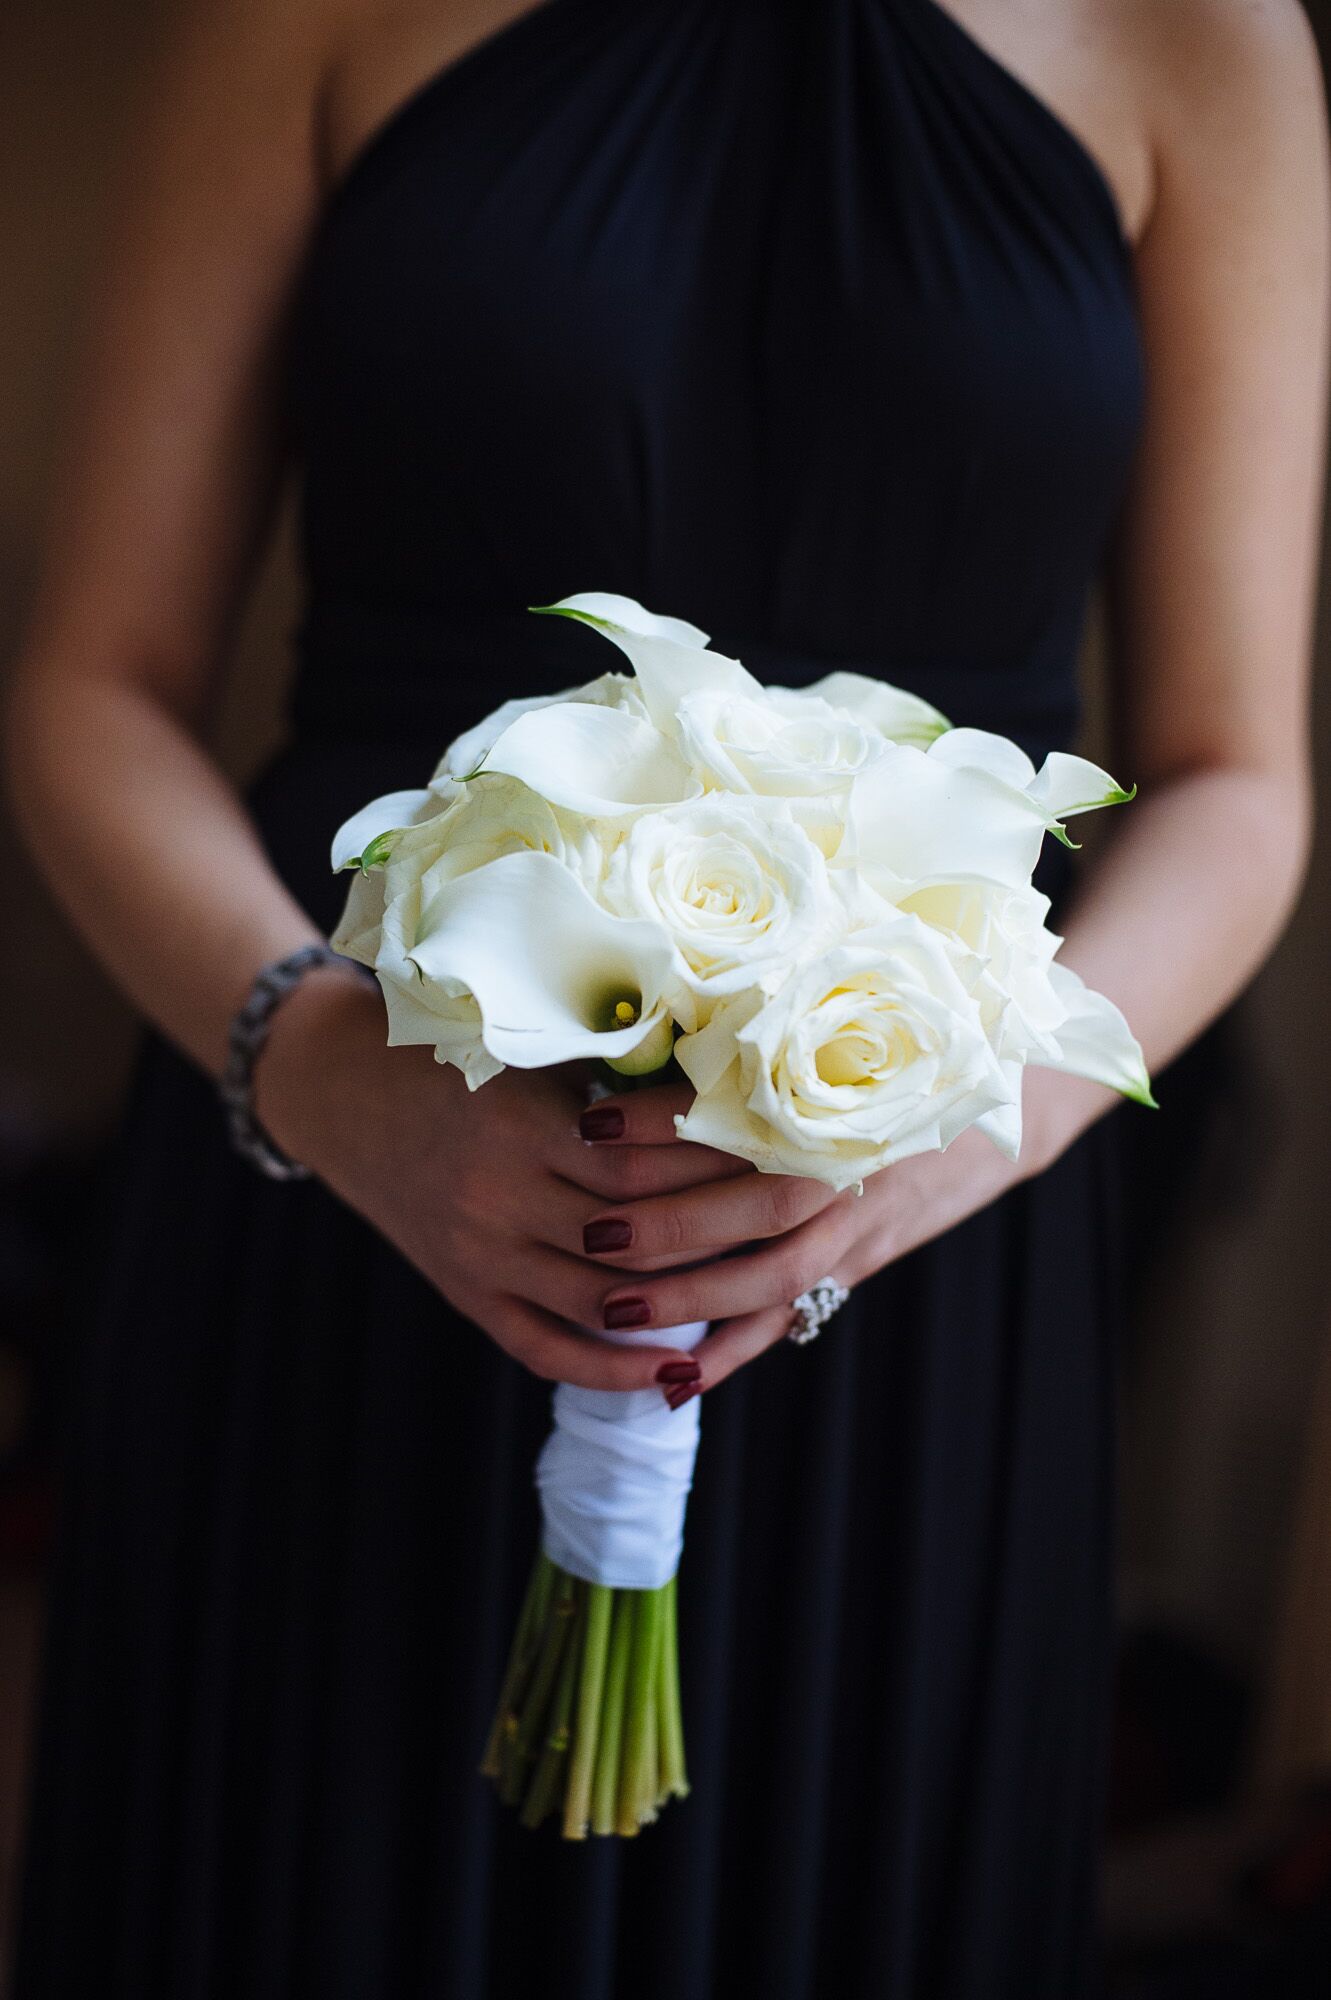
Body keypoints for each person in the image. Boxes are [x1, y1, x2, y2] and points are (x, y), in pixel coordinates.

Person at [5, 1, 1327, 1995]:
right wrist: (326, 1069)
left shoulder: (1206, 41)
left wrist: (952, 1133)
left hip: (911, 1261)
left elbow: (1238, 771)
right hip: (343, 1197)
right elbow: (91, 685)